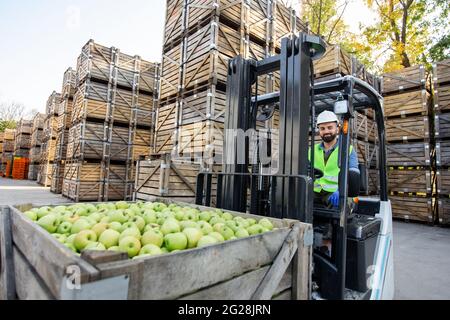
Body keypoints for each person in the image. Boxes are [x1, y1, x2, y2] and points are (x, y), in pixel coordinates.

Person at [310, 111, 360, 209]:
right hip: (316, 192)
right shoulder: (311, 150)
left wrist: (341, 190)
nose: (326, 131)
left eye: (330, 127)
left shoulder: (347, 149)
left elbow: (353, 175)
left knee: (340, 207)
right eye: (322, 128)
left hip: (338, 192)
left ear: (337, 128)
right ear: (319, 131)